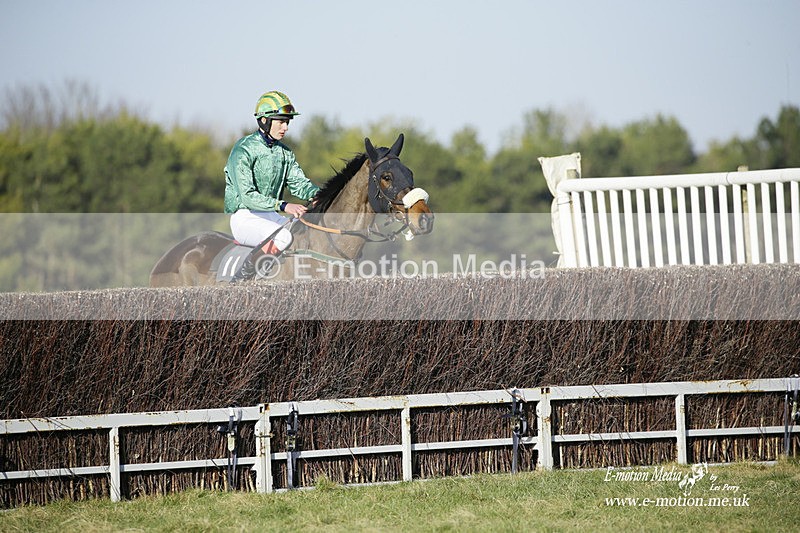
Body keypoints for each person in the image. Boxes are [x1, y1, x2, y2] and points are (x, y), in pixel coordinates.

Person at [224, 90, 320, 280]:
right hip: (244, 216)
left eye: (287, 122)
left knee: (303, 234)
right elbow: (247, 196)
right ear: (265, 121)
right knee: (283, 238)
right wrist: (284, 205)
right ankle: (243, 279)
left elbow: (300, 184)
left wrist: (319, 195)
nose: (285, 127)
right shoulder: (243, 149)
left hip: (270, 215)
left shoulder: (285, 153)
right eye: (281, 121)